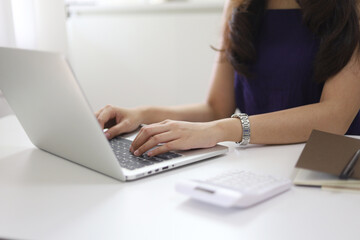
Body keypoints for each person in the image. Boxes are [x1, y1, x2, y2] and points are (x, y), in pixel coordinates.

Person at [95, 0, 360, 158]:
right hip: (262, 161)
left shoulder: (351, 6)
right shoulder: (240, 4)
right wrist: (143, 114)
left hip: (330, 166)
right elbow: (215, 108)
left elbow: (334, 116)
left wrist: (220, 130)